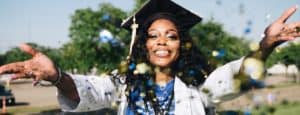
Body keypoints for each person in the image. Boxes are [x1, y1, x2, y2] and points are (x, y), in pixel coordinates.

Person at [0, 0, 300, 114]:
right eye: (153, 35)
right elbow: (87, 91)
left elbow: (237, 74)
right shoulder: (122, 86)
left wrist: (267, 44)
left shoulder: (199, 88)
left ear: (182, 44)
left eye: (171, 35)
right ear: (142, 44)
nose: (162, 42)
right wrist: (58, 77)